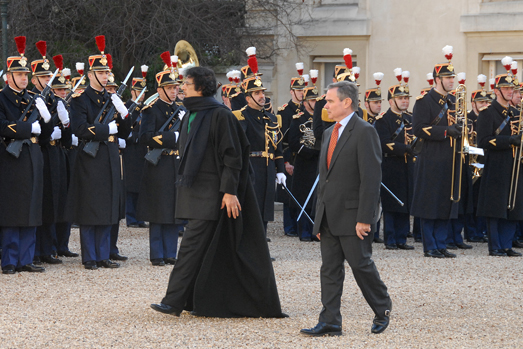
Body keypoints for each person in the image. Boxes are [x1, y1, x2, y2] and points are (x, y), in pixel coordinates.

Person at [150, 66, 285, 318]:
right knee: (209, 248)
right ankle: (200, 300)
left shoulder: (220, 115)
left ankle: (173, 300)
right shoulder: (190, 113)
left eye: (187, 84)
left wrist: (229, 192)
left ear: (200, 88)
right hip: (194, 190)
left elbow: (232, 157)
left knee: (191, 247)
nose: (181, 88)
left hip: (213, 193)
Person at [300, 81, 391, 337]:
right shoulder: (329, 133)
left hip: (353, 216)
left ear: (346, 102)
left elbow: (371, 178)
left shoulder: (364, 131)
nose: (325, 106)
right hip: (329, 215)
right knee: (329, 269)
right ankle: (330, 321)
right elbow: (324, 179)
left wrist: (365, 218)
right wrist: (318, 218)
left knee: (360, 265)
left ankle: (382, 308)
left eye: (329, 101)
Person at [66, 35, 131, 270]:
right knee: (90, 205)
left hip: (110, 156)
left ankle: (104, 255)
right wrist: (107, 129)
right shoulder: (80, 99)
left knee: (107, 205)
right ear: (91, 74)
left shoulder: (112, 98)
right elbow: (81, 129)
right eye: (102, 73)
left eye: (107, 73)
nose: (106, 76)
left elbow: (124, 130)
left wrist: (125, 114)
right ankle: (90, 256)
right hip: (90, 157)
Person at [0, 36, 51, 274]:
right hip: (11, 159)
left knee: (31, 206)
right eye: (19, 75)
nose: (24, 78)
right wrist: (28, 127)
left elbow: (48, 132)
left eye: (26, 75)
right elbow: (2, 126)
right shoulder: (1, 98)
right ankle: (10, 260)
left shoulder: (33, 98)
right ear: (8, 76)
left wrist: (48, 114)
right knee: (12, 210)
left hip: (31, 156)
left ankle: (26, 258)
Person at [411, 50, 460, 258]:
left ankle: (441, 243)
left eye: (452, 78)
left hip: (450, 157)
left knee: (445, 201)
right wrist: (447, 131)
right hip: (431, 157)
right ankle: (430, 246)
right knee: (430, 201)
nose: (451, 81)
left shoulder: (453, 102)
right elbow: (419, 129)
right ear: (437, 79)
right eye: (448, 78)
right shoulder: (424, 101)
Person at [137, 53, 184, 266]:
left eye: (176, 88)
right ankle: (157, 254)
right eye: (171, 88)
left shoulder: (180, 110)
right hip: (159, 163)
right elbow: (144, 137)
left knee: (174, 209)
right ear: (160, 89)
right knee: (158, 209)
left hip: (175, 163)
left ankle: (170, 253)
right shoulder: (151, 109)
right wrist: (170, 138)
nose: (175, 91)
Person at [232, 50, 285, 234]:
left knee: (265, 211)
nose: (262, 95)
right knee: (250, 210)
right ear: (248, 98)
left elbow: (276, 146)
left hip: (268, 168)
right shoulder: (240, 117)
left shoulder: (271, 118)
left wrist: (281, 170)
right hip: (251, 167)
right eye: (257, 93)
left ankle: (261, 249)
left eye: (262, 91)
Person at [31, 45, 72, 266]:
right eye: (43, 76)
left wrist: (66, 125)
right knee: (40, 200)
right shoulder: (31, 99)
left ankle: (49, 248)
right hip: (40, 152)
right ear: (34, 79)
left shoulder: (55, 101)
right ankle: (36, 250)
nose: (48, 80)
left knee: (53, 202)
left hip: (55, 154)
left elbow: (67, 139)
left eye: (49, 76)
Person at [476, 72, 523, 257]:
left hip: (515, 164)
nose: (510, 91)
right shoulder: (488, 113)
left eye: (512, 88)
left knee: (513, 204)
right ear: (497, 91)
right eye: (506, 88)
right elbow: (484, 141)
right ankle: (495, 245)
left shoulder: (516, 113)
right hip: (496, 164)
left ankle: (506, 244)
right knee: (495, 206)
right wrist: (509, 141)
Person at [374, 82, 415, 250]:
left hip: (408, 165)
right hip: (391, 164)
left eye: (406, 98)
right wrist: (404, 148)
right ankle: (390, 238)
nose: (405, 101)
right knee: (391, 203)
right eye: (400, 98)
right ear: (391, 101)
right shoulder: (383, 120)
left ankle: (402, 238)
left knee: (405, 201)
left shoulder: (411, 118)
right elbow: (383, 143)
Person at [288, 84, 320, 241]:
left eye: (316, 100)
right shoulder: (298, 118)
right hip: (304, 162)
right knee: (304, 197)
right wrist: (308, 152)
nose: (314, 103)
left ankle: (316, 230)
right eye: (312, 100)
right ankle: (304, 231)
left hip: (318, 163)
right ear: (305, 102)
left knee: (316, 198)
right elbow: (293, 142)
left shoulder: (322, 117)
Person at [276, 75, 306, 238]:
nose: (301, 93)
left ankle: (300, 225)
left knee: (301, 192)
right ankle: (289, 226)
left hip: (302, 157)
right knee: (288, 194)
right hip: (289, 155)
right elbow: (281, 140)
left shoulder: (307, 109)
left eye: (302, 90)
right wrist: (285, 162)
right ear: (291, 91)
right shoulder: (285, 111)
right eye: (298, 90)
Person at [123, 72, 148, 229]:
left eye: (144, 91)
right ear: (133, 91)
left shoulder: (147, 108)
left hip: (143, 151)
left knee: (141, 184)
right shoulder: (126, 107)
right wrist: (136, 136)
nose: (142, 94)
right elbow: (125, 130)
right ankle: (131, 217)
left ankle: (140, 216)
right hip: (131, 149)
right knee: (131, 185)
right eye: (139, 91)